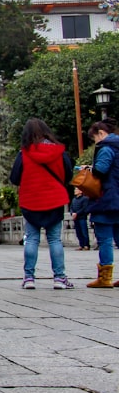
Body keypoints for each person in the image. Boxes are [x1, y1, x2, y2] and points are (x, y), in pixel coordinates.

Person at [10, 117, 74, 290]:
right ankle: (59, 278)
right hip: (54, 199)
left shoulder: (24, 154)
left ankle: (29, 278)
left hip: (31, 200)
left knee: (31, 239)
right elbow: (68, 175)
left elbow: (14, 178)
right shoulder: (59, 152)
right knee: (55, 240)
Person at [85, 121, 119, 288]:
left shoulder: (106, 148)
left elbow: (101, 170)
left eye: (94, 138)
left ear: (100, 133)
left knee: (105, 239)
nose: (95, 142)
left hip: (106, 200)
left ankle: (105, 278)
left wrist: (89, 169)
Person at [71, 187, 91, 251]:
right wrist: (72, 213)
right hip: (75, 218)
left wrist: (77, 213)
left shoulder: (85, 199)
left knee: (84, 232)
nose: (75, 190)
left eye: (76, 189)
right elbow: (71, 207)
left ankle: (86, 245)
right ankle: (81, 245)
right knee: (78, 232)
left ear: (81, 191)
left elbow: (84, 208)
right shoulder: (74, 199)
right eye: (75, 189)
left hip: (82, 217)